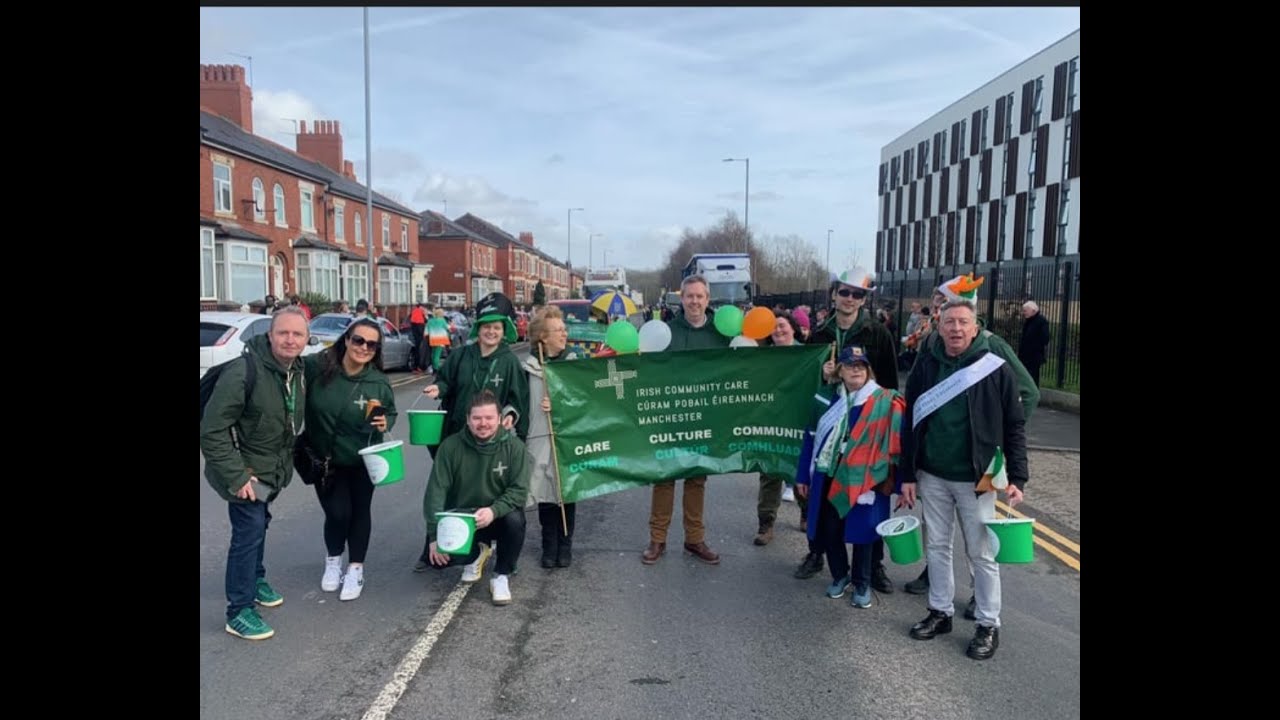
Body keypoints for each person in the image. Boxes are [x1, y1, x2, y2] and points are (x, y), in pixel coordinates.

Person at [900, 299, 1029, 661]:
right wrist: (907, 473)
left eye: (963, 322)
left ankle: (988, 624)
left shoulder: (996, 368)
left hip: (979, 478)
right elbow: (910, 420)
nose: (955, 328)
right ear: (939, 328)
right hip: (932, 474)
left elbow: (1014, 425)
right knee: (937, 546)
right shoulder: (926, 365)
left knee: (982, 552)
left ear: (975, 328)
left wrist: (1018, 475)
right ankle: (940, 612)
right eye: (949, 322)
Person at [200, 306, 309, 641]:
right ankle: (239, 610)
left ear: (306, 339)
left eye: (297, 334)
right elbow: (212, 430)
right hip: (243, 472)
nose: (290, 340)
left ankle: (255, 578)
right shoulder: (243, 371)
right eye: (283, 333)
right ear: (269, 335)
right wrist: (236, 476)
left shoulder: (296, 371)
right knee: (247, 533)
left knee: (260, 522)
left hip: (271, 470)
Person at [414, 292, 529, 572]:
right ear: (479, 329)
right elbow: (445, 381)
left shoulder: (510, 362)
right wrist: (437, 389)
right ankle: (440, 540)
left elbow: (518, 399)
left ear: (504, 331)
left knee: (494, 485)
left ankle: (499, 543)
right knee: (453, 487)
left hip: (493, 437)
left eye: (497, 327)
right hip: (457, 434)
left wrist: (511, 415)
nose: (491, 332)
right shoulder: (461, 355)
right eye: (487, 326)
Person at [800, 268, 897, 594]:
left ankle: (873, 566)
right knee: (824, 501)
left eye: (858, 294)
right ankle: (818, 555)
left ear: (864, 300)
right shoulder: (819, 334)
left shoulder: (878, 333)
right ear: (834, 294)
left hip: (866, 427)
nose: (850, 299)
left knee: (868, 505)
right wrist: (823, 375)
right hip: (830, 424)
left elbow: (890, 385)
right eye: (845, 292)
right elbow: (806, 386)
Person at [795, 345, 905, 608]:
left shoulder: (884, 400)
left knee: (863, 533)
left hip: (867, 478)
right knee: (830, 530)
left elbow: (897, 445)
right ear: (839, 371)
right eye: (849, 365)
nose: (856, 369)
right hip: (830, 474)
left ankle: (862, 582)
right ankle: (839, 576)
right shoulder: (825, 399)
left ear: (868, 370)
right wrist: (802, 476)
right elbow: (810, 439)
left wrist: (900, 484)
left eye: (861, 365)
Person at [300, 318, 397, 602]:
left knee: (360, 512)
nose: (364, 348)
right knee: (337, 513)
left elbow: (390, 412)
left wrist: (384, 421)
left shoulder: (377, 381)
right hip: (326, 459)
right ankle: (333, 560)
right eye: (358, 340)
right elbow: (288, 370)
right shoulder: (318, 366)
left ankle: (356, 568)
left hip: (364, 458)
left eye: (371, 344)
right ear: (346, 339)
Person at [641, 275, 730, 566]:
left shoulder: (721, 334)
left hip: (704, 417)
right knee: (664, 478)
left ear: (708, 299)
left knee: (696, 478)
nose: (694, 301)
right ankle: (658, 538)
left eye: (699, 296)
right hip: (670, 415)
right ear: (682, 299)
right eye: (689, 296)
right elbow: (648, 370)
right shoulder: (666, 332)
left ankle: (694, 538)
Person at [421, 390, 530, 605]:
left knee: (515, 520)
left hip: (496, 515)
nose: (483, 423)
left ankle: (501, 575)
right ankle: (476, 554)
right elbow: (436, 491)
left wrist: (493, 511)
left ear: (499, 419)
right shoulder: (450, 447)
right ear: (468, 420)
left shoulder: (514, 448)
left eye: (489, 418)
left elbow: (519, 491)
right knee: (436, 561)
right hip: (463, 518)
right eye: (477, 418)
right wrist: (434, 536)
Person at [523, 306, 588, 568]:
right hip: (539, 436)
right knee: (544, 492)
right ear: (542, 337)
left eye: (564, 329)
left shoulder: (575, 363)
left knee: (566, 491)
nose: (564, 334)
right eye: (558, 330)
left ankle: (565, 544)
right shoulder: (528, 367)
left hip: (567, 438)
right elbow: (518, 400)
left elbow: (586, 400)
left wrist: (560, 404)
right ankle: (548, 545)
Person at [754, 313, 804, 545]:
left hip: (800, 420)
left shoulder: (808, 354)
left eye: (782, 326)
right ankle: (766, 524)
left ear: (793, 329)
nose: (779, 330)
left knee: (802, 470)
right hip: (772, 421)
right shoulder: (764, 357)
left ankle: (806, 513)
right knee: (770, 472)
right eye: (773, 328)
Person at [1018, 300, 1051, 387]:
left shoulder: (1041, 322)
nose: (1023, 313)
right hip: (1025, 356)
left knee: (1033, 377)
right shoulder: (1028, 321)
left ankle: (1034, 394)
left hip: (1034, 356)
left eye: (1025, 310)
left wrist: (1034, 346)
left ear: (1033, 310)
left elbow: (1045, 339)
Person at [425, 307, 452, 375]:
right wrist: (451, 325)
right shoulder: (442, 320)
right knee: (437, 355)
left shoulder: (430, 321)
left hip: (432, 339)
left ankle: (434, 368)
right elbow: (447, 327)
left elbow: (426, 331)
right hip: (440, 339)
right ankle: (436, 369)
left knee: (433, 354)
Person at [408, 302, 429, 373]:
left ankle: (415, 367)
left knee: (416, 349)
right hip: (420, 329)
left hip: (414, 331)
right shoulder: (422, 311)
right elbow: (427, 321)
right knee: (421, 350)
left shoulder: (413, 311)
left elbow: (410, 319)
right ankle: (420, 367)